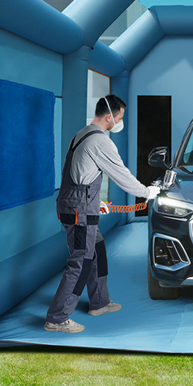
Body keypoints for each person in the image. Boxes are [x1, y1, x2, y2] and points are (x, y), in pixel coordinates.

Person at [45, 94, 161, 333]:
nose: (120, 122)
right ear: (109, 117)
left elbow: (80, 174)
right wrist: (148, 192)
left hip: (78, 205)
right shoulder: (101, 142)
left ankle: (99, 302)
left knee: (97, 250)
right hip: (79, 211)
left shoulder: (82, 134)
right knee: (81, 262)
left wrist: (95, 203)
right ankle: (57, 318)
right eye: (119, 118)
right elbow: (122, 176)